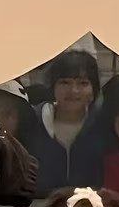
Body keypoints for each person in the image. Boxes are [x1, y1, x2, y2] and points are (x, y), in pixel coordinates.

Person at [32, 50, 104, 193]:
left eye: (83, 83)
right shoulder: (33, 120)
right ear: (53, 86)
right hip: (38, 205)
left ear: (93, 89)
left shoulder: (102, 124)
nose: (74, 90)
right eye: (65, 82)